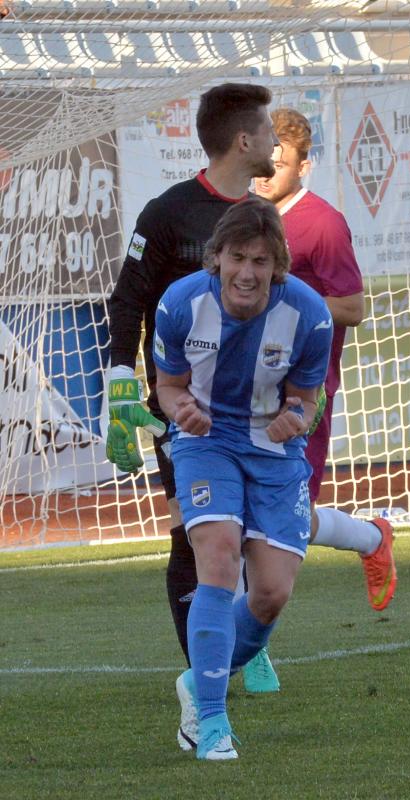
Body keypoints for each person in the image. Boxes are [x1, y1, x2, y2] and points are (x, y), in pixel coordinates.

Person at [106, 83, 281, 691]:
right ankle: (205, 672)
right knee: (195, 531)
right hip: (182, 411)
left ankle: (239, 632)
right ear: (243, 140)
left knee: (256, 536)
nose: (276, 140)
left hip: (253, 411)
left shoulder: (264, 220)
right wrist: (121, 378)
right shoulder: (167, 213)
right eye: (267, 130)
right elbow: (128, 299)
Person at [153, 196, 333, 760]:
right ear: (217, 258)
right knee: (219, 556)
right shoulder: (180, 304)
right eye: (237, 258)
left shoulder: (310, 315)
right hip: (206, 443)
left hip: (274, 452)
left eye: (260, 261)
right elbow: (168, 386)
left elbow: (309, 399)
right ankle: (212, 724)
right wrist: (181, 410)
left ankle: (198, 681)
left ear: (277, 264)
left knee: (272, 593)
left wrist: (295, 417)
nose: (247, 273)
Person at [254, 109, 397, 606]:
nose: (267, 173)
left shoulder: (323, 223)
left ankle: (373, 538)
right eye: (263, 161)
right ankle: (247, 649)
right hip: (240, 389)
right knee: (235, 516)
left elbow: (353, 307)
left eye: (281, 163)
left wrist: (283, 309)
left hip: (302, 393)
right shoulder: (243, 220)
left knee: (286, 516)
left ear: (303, 166)